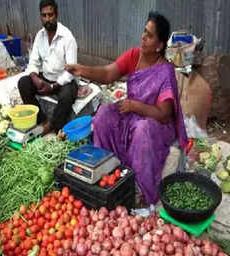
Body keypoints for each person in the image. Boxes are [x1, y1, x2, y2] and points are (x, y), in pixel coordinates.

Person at [66, 12, 188, 206]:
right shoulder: (134, 56)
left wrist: (136, 106)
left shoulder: (165, 71)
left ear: (159, 45)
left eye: (149, 35)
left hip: (154, 122)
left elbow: (165, 115)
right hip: (132, 114)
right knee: (103, 115)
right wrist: (82, 69)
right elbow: (107, 73)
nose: (143, 37)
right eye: (143, 31)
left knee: (142, 130)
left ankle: (138, 189)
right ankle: (107, 168)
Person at [18, 0, 78, 135]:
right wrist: (35, 78)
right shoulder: (40, 35)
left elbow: (71, 71)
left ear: (56, 15)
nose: (47, 19)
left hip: (63, 82)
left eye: (50, 15)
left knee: (68, 95)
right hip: (46, 79)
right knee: (23, 83)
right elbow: (33, 62)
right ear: (41, 17)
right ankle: (43, 120)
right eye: (44, 16)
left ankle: (53, 124)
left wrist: (53, 86)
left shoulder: (67, 37)